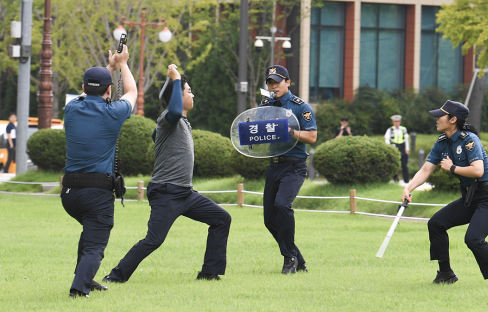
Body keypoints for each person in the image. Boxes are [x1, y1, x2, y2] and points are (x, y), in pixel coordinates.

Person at [103, 64, 231, 283]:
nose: (193, 94)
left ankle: (210, 273)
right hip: (166, 193)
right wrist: (176, 79)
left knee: (221, 219)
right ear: (178, 97)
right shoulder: (168, 118)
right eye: (188, 91)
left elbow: (156, 136)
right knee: (153, 240)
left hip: (186, 194)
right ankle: (115, 276)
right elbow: (171, 113)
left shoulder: (177, 123)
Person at [401, 100, 488, 288]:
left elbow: (478, 171)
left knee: (473, 239)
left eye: (440, 116)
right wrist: (408, 188)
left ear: (453, 120)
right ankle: (445, 273)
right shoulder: (442, 142)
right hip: (471, 197)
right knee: (436, 223)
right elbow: (426, 169)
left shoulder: (469, 140)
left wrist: (452, 167)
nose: (436, 119)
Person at [60, 45, 137, 298]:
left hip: (69, 194)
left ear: (83, 88)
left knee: (88, 234)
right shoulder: (113, 113)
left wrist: (110, 67)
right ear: (108, 90)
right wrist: (123, 63)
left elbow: (93, 87)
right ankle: (78, 289)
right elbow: (132, 92)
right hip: (97, 194)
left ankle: (86, 278)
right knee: (95, 245)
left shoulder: (72, 109)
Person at [261, 65, 317, 274]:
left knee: (282, 206)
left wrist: (290, 131)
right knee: (269, 220)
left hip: (294, 166)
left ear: (288, 82)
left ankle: (289, 259)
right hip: (273, 165)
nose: (273, 86)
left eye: (277, 82)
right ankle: (298, 259)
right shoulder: (266, 105)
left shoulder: (301, 107)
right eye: (270, 82)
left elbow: (312, 137)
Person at [385, 115, 409, 184]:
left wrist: (407, 149)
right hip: (394, 147)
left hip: (402, 147)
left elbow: (406, 140)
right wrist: (389, 148)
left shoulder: (403, 129)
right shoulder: (390, 130)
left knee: (404, 164)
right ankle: (395, 179)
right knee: (394, 164)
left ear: (400, 122)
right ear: (393, 122)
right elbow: (387, 139)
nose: (396, 123)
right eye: (395, 121)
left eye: (398, 121)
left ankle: (406, 181)